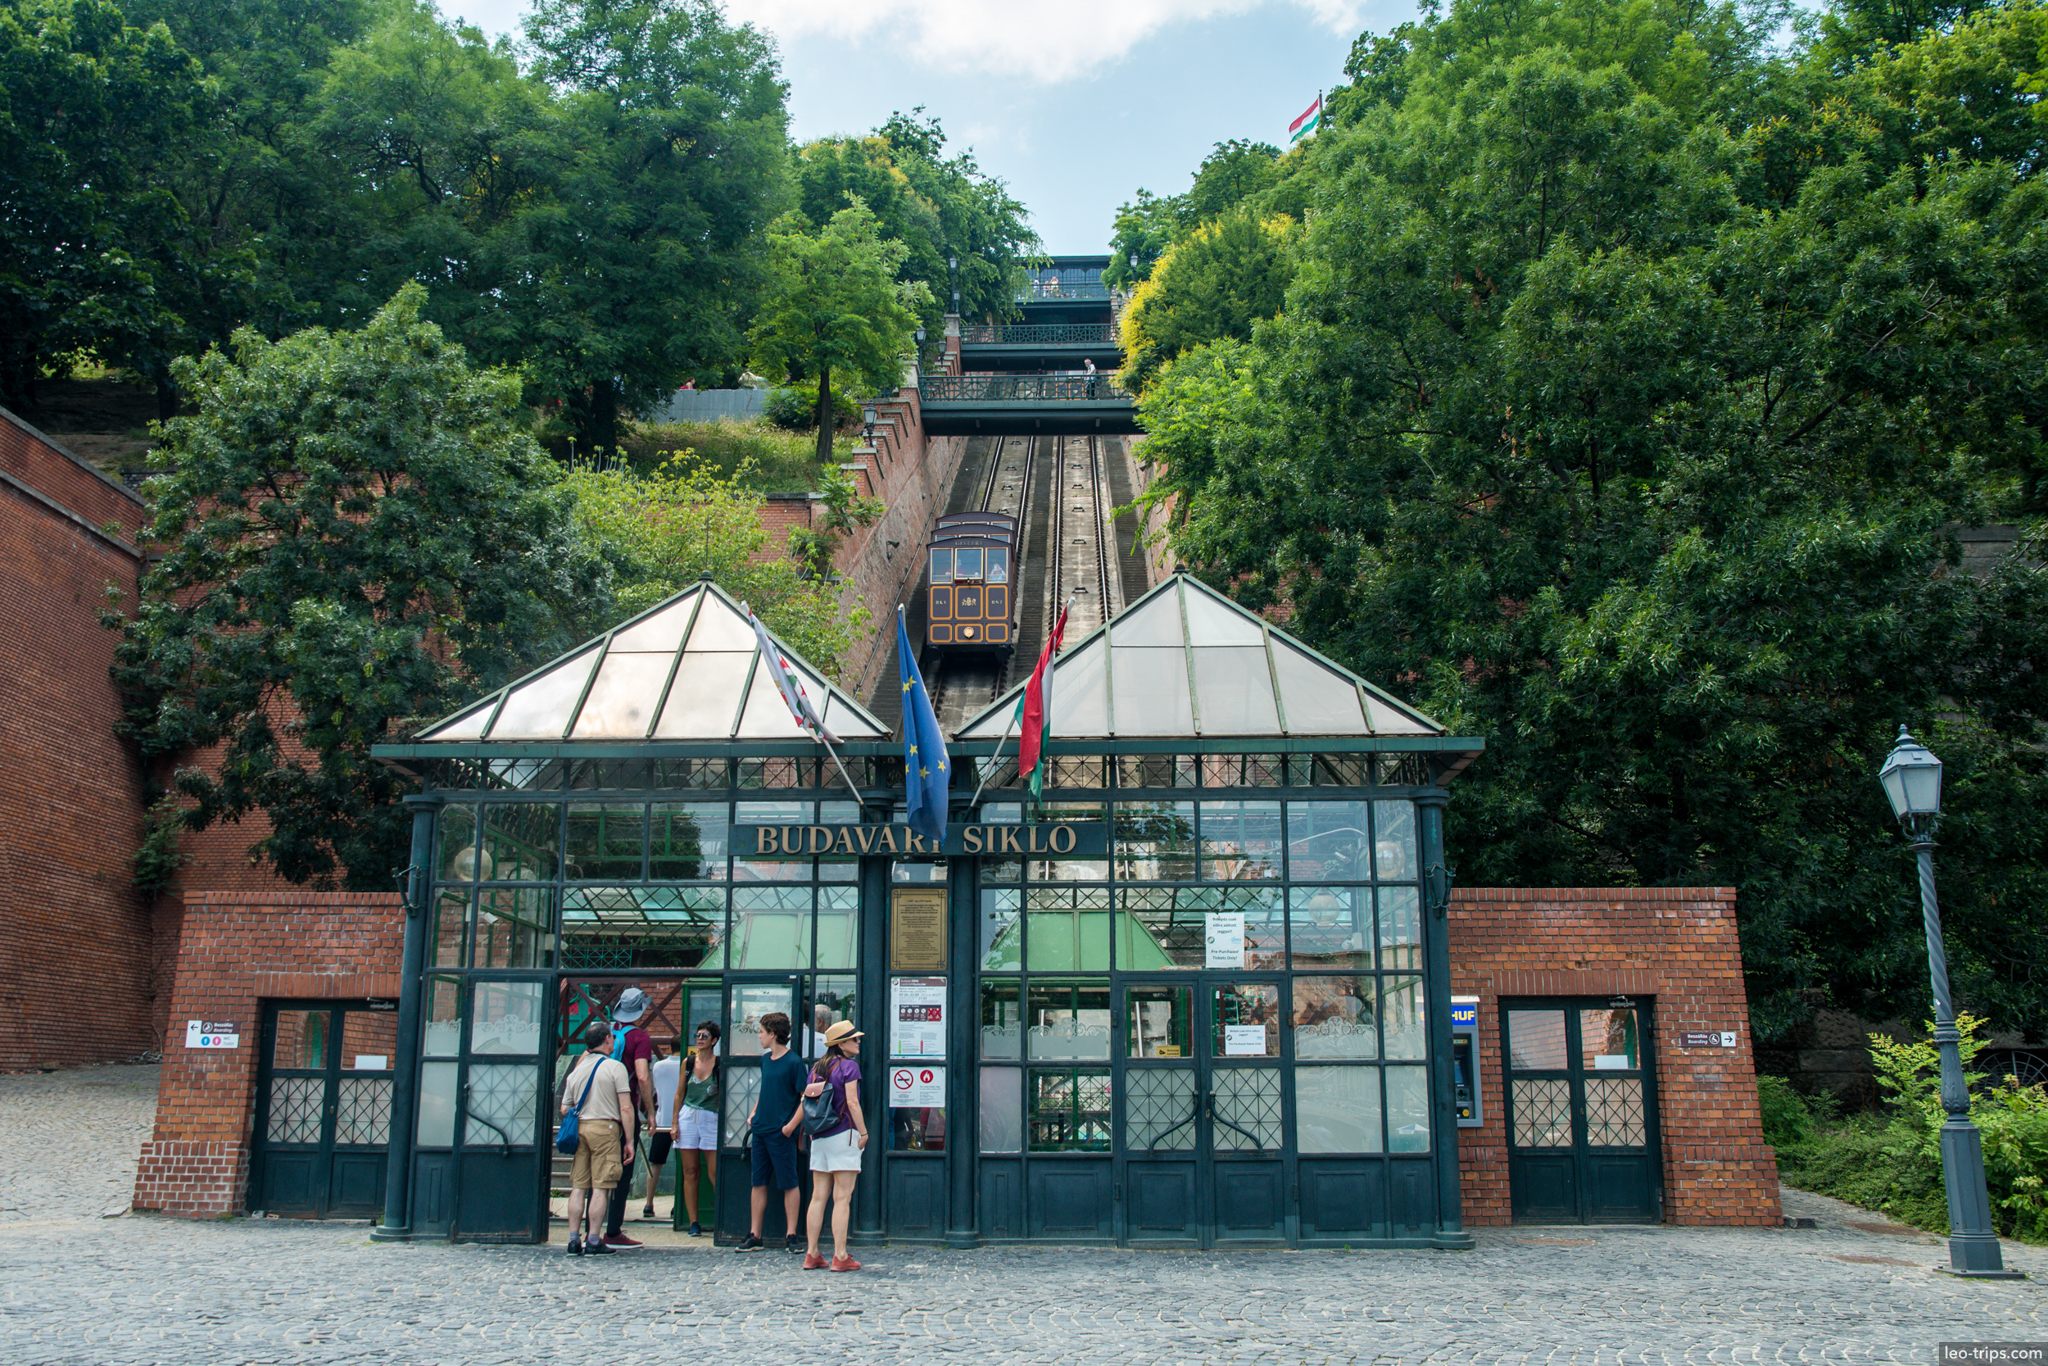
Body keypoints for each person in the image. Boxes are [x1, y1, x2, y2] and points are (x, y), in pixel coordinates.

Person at [560, 1020, 634, 1257]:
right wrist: (630, 1140)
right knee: (601, 1187)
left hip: (580, 1128)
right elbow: (626, 1108)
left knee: (579, 1186)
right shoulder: (615, 1068)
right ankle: (593, 1239)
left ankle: (573, 1240)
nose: (614, 1040)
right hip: (606, 1129)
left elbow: (564, 1109)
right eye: (612, 1037)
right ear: (607, 1040)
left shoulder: (577, 1070)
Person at [801, 1021, 869, 1272]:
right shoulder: (849, 1066)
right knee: (842, 1197)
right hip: (844, 1133)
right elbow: (852, 1101)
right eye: (853, 1039)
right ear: (841, 1044)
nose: (858, 1042)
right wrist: (863, 1132)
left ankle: (812, 1253)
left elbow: (807, 1102)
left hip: (819, 1136)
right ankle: (840, 1255)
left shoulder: (817, 1068)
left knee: (818, 1196)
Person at [735, 1011, 806, 1253]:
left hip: (781, 1132)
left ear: (773, 1034)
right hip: (761, 1130)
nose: (759, 1036)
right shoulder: (765, 1060)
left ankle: (791, 1234)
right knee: (758, 1181)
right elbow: (766, 1090)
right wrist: (754, 1112)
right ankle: (755, 1234)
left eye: (762, 1032)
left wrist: (790, 1127)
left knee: (789, 1182)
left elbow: (805, 1099)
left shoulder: (795, 1063)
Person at [602, 988, 657, 1248]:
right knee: (624, 1170)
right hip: (626, 1110)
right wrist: (651, 1112)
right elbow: (643, 1076)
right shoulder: (640, 1037)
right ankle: (613, 1230)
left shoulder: (605, 1033)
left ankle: (591, 1229)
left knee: (595, 1172)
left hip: (600, 1110)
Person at [672, 1021, 721, 1237]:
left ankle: (721, 1215)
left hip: (711, 1117)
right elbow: (679, 1093)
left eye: (704, 1035)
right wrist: (674, 1122)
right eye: (698, 1034)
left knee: (714, 1170)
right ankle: (693, 1221)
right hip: (688, 1116)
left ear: (714, 1041)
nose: (700, 1038)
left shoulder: (719, 1064)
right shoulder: (688, 1063)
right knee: (690, 1170)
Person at [644, 1038, 680, 1219]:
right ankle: (677, 1204)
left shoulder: (658, 1067)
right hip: (681, 1122)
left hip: (661, 1120)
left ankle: (648, 1203)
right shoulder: (687, 1066)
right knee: (682, 1165)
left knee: (655, 1163)